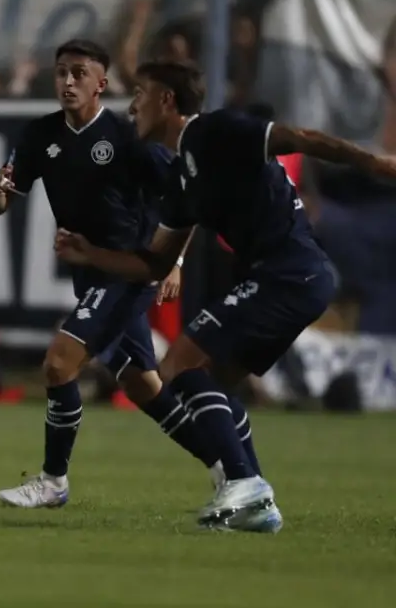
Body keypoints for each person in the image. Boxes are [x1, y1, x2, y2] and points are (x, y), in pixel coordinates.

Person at [55, 60, 396, 531]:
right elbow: (154, 263)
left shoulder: (215, 131)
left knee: (179, 366)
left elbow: (300, 138)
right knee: (210, 383)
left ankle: (244, 481)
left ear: (166, 100)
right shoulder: (181, 178)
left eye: (140, 94)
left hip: (291, 271)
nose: (131, 107)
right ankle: (256, 501)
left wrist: (373, 163)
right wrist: (91, 253)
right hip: (284, 277)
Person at [0, 39, 222, 510]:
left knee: (58, 364)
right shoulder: (39, 135)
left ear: (101, 84)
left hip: (128, 272)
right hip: (90, 273)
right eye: (61, 72)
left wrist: (173, 263)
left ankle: (53, 480)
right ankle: (228, 468)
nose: (67, 82)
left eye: (79, 73)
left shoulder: (127, 138)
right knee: (142, 387)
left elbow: (187, 198)